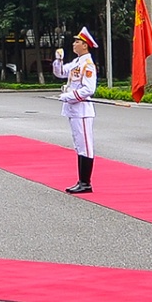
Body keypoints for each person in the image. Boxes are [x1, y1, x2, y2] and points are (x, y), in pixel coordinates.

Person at [53, 28, 100, 193]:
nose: (74, 44)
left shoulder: (87, 65)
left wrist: (68, 96)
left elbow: (88, 89)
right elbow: (60, 73)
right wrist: (58, 60)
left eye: (77, 42)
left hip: (82, 110)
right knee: (79, 145)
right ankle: (81, 180)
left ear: (85, 46)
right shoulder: (76, 62)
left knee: (86, 146)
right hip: (74, 110)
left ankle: (86, 183)